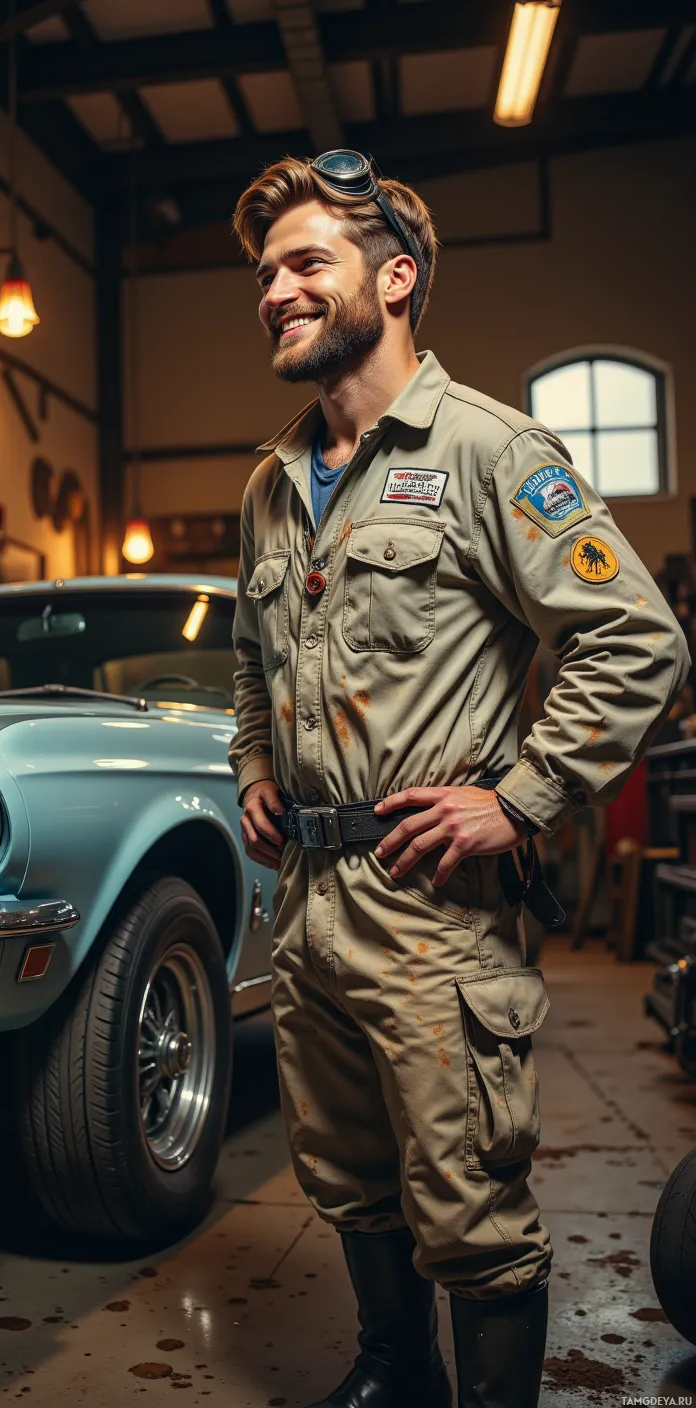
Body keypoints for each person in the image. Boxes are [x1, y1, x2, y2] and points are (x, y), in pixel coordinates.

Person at [227, 152, 688, 1408]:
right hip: (311, 904)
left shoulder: (487, 448)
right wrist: (258, 761)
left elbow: (635, 636)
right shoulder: (273, 485)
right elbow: (247, 662)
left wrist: (523, 796)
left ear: (395, 277)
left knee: (467, 1200)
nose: (274, 289)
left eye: (305, 262)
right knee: (344, 1176)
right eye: (265, 272)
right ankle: (395, 1370)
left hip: (432, 909)